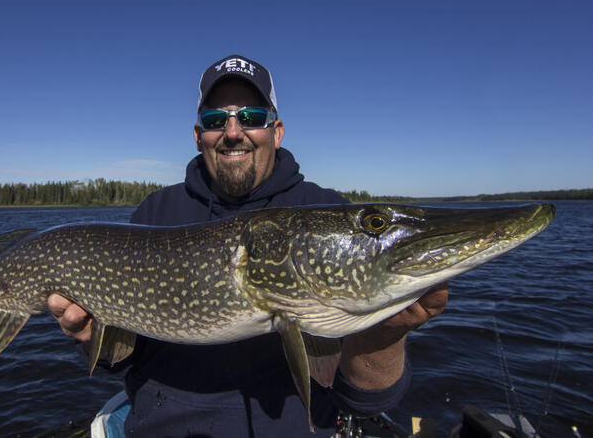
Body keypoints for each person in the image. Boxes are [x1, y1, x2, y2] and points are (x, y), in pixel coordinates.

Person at [48, 54, 448, 437]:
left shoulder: (323, 209)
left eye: (252, 117)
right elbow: (120, 359)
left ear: (276, 131)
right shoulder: (156, 212)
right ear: (197, 135)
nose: (233, 132)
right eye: (215, 119)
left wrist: (384, 334)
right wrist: (91, 338)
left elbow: (365, 398)